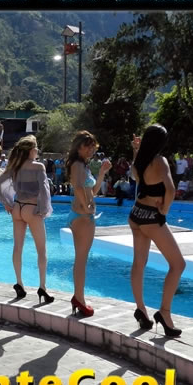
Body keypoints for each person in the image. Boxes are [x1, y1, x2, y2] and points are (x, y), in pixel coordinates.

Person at [128, 125, 185, 336]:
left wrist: (136, 150)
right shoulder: (160, 161)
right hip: (152, 216)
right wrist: (164, 210)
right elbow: (170, 189)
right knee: (178, 264)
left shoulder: (139, 160)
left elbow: (137, 177)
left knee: (139, 263)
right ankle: (164, 313)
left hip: (136, 214)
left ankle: (141, 309)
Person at [0, 135, 54, 303]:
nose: (38, 151)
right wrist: (43, 210)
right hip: (32, 208)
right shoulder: (38, 166)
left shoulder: (15, 166)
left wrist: (6, 203)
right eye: (37, 148)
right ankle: (42, 288)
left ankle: (19, 283)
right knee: (41, 250)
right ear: (32, 150)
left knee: (17, 247)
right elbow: (44, 190)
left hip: (17, 208)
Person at [66, 131, 111, 317]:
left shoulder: (83, 165)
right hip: (82, 216)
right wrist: (86, 208)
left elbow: (93, 191)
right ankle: (79, 298)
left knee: (81, 259)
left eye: (93, 146)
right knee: (81, 260)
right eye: (87, 146)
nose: (91, 149)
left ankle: (79, 297)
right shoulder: (77, 164)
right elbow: (77, 187)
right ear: (78, 147)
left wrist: (101, 173)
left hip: (82, 215)